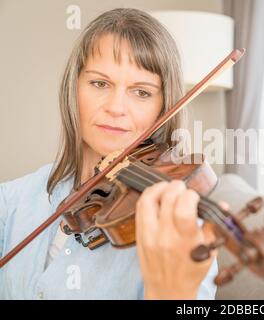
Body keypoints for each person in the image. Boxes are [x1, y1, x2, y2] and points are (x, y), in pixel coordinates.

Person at [0, 8, 222, 300]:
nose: (116, 107)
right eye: (100, 83)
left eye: (141, 92)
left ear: (163, 107)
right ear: (74, 88)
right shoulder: (13, 201)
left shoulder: (178, 230)